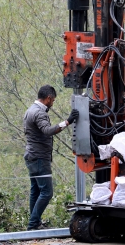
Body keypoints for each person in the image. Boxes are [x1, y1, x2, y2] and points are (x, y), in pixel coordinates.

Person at [23, 85, 79, 230]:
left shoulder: (30, 110)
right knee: (47, 192)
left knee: (36, 190)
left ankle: (35, 223)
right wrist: (67, 121)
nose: (52, 103)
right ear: (48, 98)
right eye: (53, 100)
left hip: (31, 156)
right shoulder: (39, 113)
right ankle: (33, 223)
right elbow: (48, 131)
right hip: (39, 158)